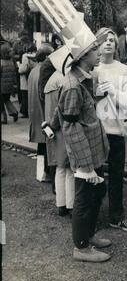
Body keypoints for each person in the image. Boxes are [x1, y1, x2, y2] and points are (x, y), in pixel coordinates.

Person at [49, 37, 111, 263]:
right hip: (85, 156)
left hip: (93, 152)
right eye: (95, 50)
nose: (99, 53)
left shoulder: (82, 80)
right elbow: (71, 126)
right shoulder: (73, 85)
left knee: (95, 195)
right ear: (83, 57)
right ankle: (81, 247)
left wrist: (97, 97)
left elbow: (70, 113)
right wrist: (85, 164)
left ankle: (88, 235)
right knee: (84, 199)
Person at [94, 27, 127, 233]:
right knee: (93, 176)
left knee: (116, 176)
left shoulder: (124, 70)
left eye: (112, 39)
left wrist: (113, 93)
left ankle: (116, 216)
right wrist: (95, 93)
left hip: (116, 132)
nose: (109, 43)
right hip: (94, 132)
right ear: (97, 44)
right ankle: (91, 217)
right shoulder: (92, 69)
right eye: (104, 40)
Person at [44, 46, 75, 216]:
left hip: (53, 130)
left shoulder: (52, 80)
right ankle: (70, 205)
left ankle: (61, 204)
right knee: (69, 169)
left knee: (59, 168)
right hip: (63, 129)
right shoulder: (64, 81)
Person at [28, 44, 53, 182]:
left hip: (35, 112)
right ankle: (46, 173)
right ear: (46, 57)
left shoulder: (33, 71)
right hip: (43, 111)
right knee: (47, 144)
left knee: (41, 146)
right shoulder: (45, 72)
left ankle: (40, 174)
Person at [17, 43, 37, 118]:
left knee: (25, 96)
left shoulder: (25, 56)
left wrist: (19, 67)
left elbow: (23, 69)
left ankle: (25, 112)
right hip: (34, 77)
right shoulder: (37, 56)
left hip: (25, 79)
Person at [0, 43, 18, 124]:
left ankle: (4, 118)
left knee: (1, 102)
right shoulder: (11, 62)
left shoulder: (1, 62)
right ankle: (14, 112)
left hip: (2, 86)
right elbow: (14, 74)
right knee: (7, 100)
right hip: (9, 85)